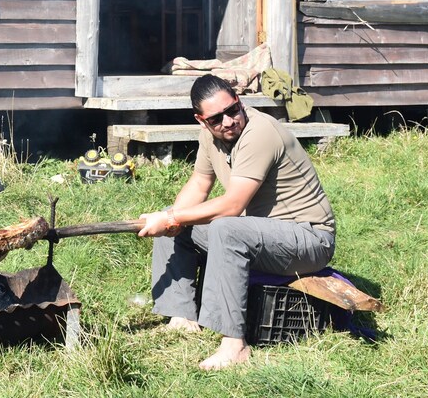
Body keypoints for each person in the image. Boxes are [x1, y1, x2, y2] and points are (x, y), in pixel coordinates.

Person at [138, 73, 336, 370]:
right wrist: (170, 220)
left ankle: (235, 346)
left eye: (232, 110)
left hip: (309, 239)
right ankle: (182, 315)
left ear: (239, 101)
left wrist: (171, 217)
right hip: (262, 234)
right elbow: (199, 184)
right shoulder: (210, 137)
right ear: (201, 120)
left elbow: (233, 205)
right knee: (179, 219)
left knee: (223, 226)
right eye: (217, 119)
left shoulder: (260, 132)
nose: (228, 122)